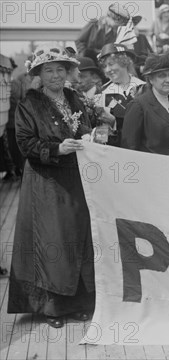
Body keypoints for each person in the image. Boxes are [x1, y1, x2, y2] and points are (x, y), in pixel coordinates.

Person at [8, 46, 95, 329]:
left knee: (79, 237)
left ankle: (81, 302)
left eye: (60, 69)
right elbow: (25, 144)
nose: (56, 75)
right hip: (46, 182)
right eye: (49, 70)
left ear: (67, 72)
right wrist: (57, 148)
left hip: (76, 179)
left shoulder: (75, 98)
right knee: (53, 240)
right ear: (38, 75)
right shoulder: (29, 105)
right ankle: (53, 307)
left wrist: (92, 137)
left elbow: (86, 129)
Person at [121, 49, 169, 155]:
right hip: (150, 168)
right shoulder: (138, 106)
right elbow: (129, 148)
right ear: (151, 80)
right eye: (162, 76)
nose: (168, 80)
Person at [97, 43, 146, 146]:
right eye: (105, 66)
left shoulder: (143, 88)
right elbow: (101, 133)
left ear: (124, 62)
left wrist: (115, 122)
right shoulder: (103, 93)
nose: (107, 70)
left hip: (143, 149)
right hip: (117, 150)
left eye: (111, 64)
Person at [75, 3, 140, 60]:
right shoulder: (94, 24)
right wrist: (83, 54)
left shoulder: (116, 33)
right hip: (87, 59)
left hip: (103, 62)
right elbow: (79, 41)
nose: (119, 25)